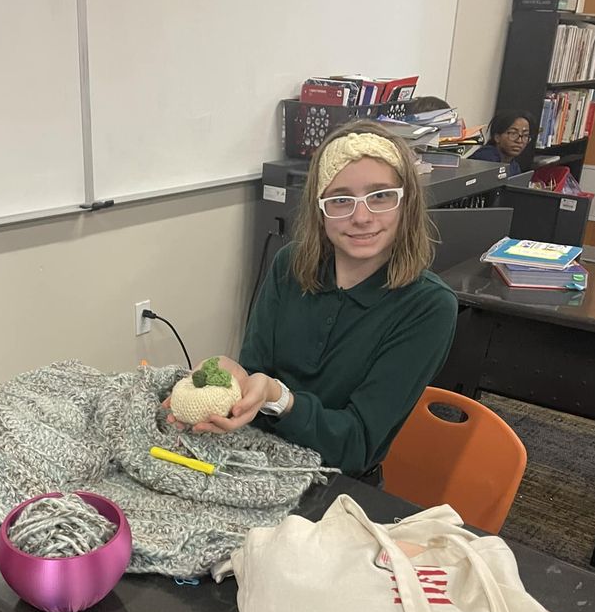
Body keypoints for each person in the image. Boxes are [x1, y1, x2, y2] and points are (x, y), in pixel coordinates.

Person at [169, 119, 458, 481]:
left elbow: (356, 445)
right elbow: (256, 372)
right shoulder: (289, 264)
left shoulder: (428, 306)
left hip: (336, 482)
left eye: (380, 196)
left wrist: (279, 398)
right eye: (340, 200)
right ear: (320, 211)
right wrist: (232, 381)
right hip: (256, 459)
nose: (361, 217)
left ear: (407, 203)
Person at [471, 110, 534, 176]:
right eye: (513, 133)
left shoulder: (514, 166)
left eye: (525, 135)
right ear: (497, 137)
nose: (519, 141)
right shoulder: (485, 158)